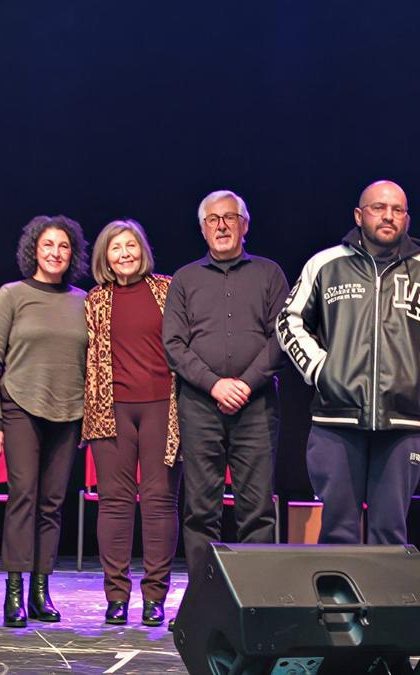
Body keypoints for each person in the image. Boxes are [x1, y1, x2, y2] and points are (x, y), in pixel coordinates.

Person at [278, 180, 420, 549]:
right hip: (336, 421)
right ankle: (338, 608)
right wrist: (321, 370)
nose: (388, 216)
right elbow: (289, 321)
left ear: (407, 218)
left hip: (402, 423)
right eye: (379, 208)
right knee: (336, 531)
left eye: (397, 210)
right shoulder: (325, 263)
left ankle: (386, 609)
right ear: (359, 214)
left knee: (390, 534)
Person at [163, 189, 289, 591]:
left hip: (257, 406)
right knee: (201, 510)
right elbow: (174, 345)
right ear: (203, 229)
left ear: (244, 225)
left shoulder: (270, 274)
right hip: (200, 404)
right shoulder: (184, 279)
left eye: (229, 218)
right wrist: (215, 384)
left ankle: (257, 597)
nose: (221, 225)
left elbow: (282, 337)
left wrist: (245, 384)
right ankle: (204, 598)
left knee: (256, 510)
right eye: (213, 219)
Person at [0, 215, 89, 628]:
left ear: (72, 253)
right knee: (23, 495)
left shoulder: (84, 300)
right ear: (34, 250)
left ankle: (41, 589)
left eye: (63, 246)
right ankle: (14, 591)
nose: (55, 252)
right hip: (20, 406)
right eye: (48, 245)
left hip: (69, 411)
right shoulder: (12, 295)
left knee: (53, 503)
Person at [82, 220, 182, 627]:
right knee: (115, 503)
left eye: (131, 246)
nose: (124, 254)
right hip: (111, 409)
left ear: (142, 250)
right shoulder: (94, 299)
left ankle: (155, 597)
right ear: (104, 257)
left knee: (159, 501)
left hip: (162, 405)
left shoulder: (168, 288)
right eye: (115, 248)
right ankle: (116, 596)